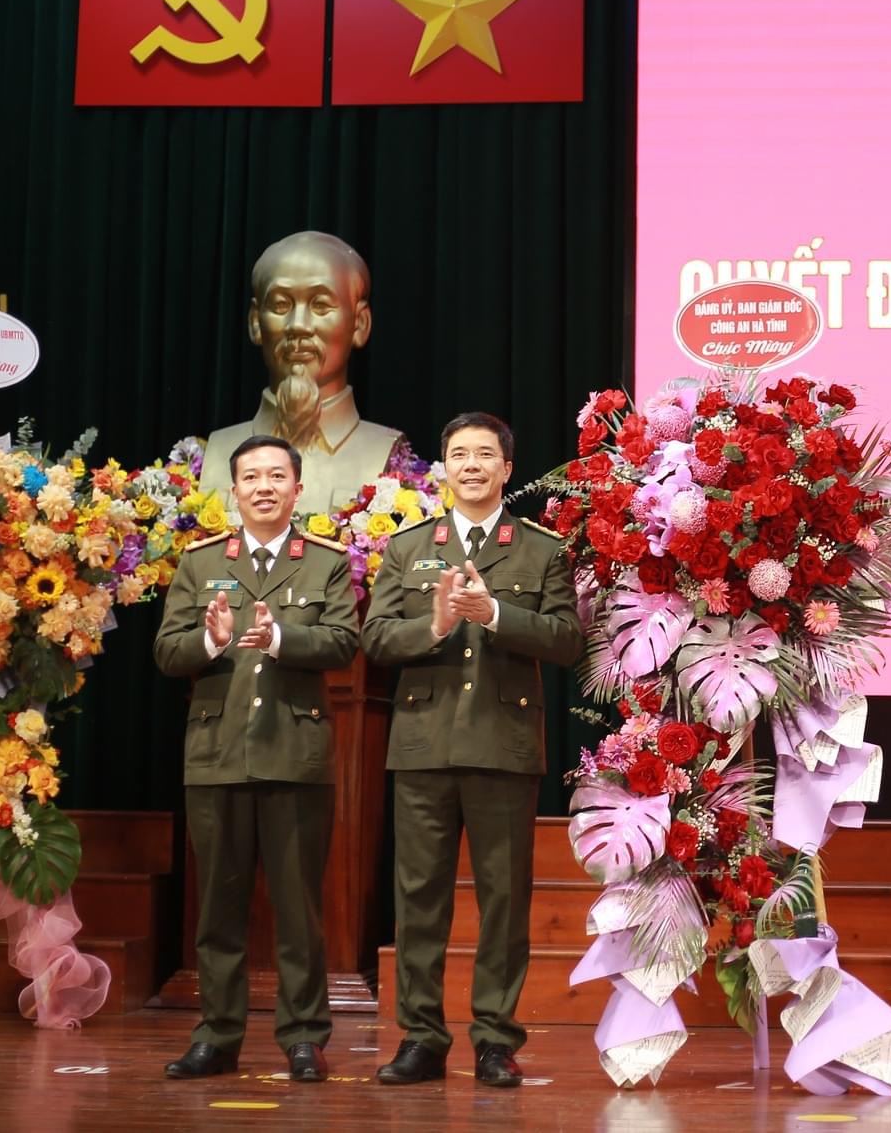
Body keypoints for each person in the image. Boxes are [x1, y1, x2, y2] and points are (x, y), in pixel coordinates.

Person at [363, 412, 582, 1089]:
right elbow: (375, 638)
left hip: (502, 746)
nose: (472, 465)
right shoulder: (408, 547)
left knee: (504, 901)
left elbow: (568, 640)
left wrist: (497, 616)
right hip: (423, 746)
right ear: (445, 467)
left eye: (485, 454)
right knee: (418, 900)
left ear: (507, 469)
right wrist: (432, 625)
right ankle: (421, 1038)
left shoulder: (541, 549)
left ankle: (495, 1039)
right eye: (459, 454)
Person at [154, 434, 361, 1082]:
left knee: (299, 909)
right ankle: (217, 1036)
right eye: (251, 477)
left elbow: (344, 640)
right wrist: (210, 642)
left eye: (276, 476)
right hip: (216, 754)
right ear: (234, 490)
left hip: (295, 755)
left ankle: (303, 1036)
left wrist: (281, 638)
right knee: (218, 910)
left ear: (297, 488)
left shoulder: (324, 561)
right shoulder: (200, 562)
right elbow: (166, 652)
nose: (264, 487)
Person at [198, 231, 403, 513]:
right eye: (281, 305)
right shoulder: (218, 450)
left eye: (320, 305)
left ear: (359, 323)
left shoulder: (384, 454)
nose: (298, 325)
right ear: (255, 322)